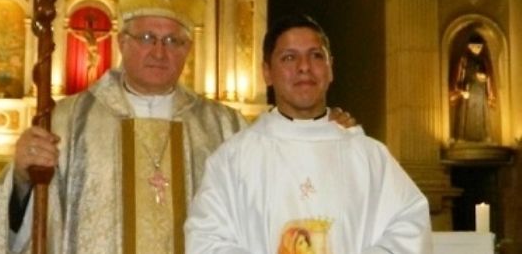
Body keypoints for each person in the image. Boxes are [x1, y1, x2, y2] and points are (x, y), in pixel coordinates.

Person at [0, 0, 356, 253]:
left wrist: (323, 132)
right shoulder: (68, 123)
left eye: (173, 41)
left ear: (188, 50)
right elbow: (28, 225)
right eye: (147, 37)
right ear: (122, 42)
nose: (159, 52)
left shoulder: (224, 128)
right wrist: (22, 177)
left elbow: (284, 193)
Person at [185, 14, 432, 254]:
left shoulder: (369, 156)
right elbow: (206, 240)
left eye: (316, 56)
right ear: (267, 72)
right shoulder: (233, 159)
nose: (304, 67)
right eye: (289, 57)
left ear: (330, 68)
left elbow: (410, 226)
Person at [449, 33, 495, 143]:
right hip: (468, 92)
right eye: (475, 46)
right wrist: (461, 91)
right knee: (465, 115)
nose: (477, 49)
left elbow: (488, 76)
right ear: (469, 46)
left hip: (481, 93)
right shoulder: (464, 60)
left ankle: (483, 137)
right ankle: (462, 137)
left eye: (479, 47)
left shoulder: (484, 60)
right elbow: (458, 77)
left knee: (480, 115)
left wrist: (484, 77)